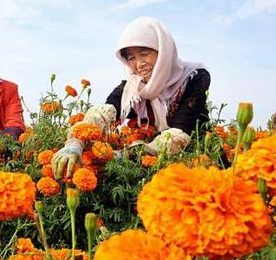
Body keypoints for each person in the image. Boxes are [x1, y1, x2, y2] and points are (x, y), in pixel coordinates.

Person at [52, 17, 211, 178]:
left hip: (197, 160)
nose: (139, 64)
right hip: (149, 169)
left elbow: (180, 132)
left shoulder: (194, 77)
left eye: (144, 53)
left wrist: (124, 155)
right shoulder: (133, 87)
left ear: (163, 50)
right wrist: (75, 143)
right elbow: (103, 113)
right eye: (131, 58)